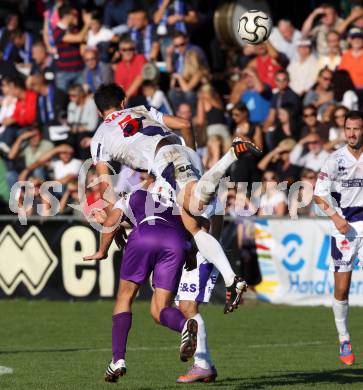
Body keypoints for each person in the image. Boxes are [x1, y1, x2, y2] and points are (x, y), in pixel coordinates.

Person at [90, 83, 259, 313]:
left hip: (165, 158)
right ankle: (232, 279)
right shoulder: (140, 110)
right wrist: (192, 155)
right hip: (179, 153)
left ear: (100, 112)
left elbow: (104, 184)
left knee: (195, 205)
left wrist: (112, 220)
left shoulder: (99, 137)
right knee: (193, 222)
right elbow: (185, 124)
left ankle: (230, 155)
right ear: (122, 102)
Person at [83, 181, 198, 382]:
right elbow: (190, 232)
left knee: (125, 297)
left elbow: (112, 221)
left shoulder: (134, 195)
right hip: (175, 241)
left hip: (145, 236)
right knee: (162, 307)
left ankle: (118, 359)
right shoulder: (177, 204)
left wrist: (102, 251)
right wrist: (190, 254)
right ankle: (184, 325)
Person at [313, 110, 363, 366]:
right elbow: (318, 194)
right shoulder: (335, 160)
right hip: (345, 227)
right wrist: (335, 218)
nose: (352, 133)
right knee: (342, 288)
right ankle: (344, 338)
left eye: (356, 128)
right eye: (348, 129)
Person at [52, 5, 92, 90]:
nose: (75, 16)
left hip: (79, 70)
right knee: (63, 99)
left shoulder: (74, 29)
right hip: (64, 73)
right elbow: (79, 38)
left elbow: (82, 41)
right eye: (73, 14)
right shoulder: (57, 31)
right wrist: (87, 23)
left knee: (81, 98)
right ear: (67, 15)